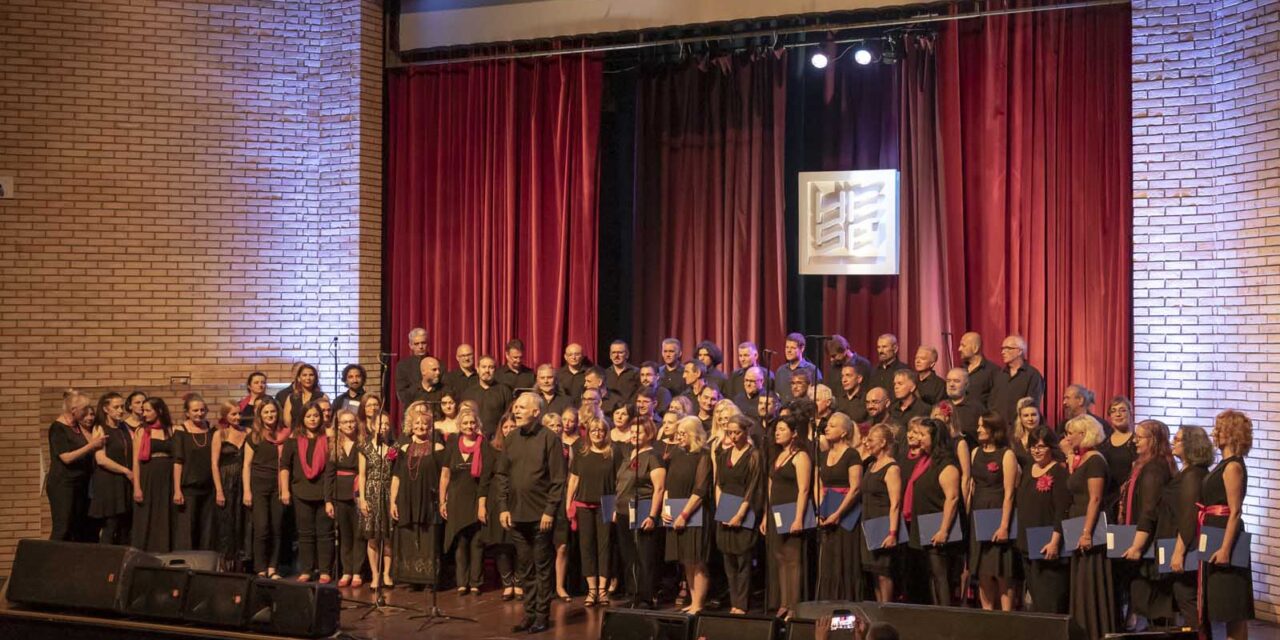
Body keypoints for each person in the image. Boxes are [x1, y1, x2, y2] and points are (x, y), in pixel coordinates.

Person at [497, 393, 566, 634]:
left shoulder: (550, 439)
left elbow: (558, 480)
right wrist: (503, 507)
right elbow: (502, 475)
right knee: (524, 566)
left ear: (536, 412)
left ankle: (542, 616)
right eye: (515, 407)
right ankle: (529, 613)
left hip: (541, 516)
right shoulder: (512, 437)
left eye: (522, 407)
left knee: (542, 566)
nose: (516, 410)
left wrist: (550, 511)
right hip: (516, 514)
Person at [1200, 410, 1253, 640]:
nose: (1215, 431)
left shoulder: (1233, 467)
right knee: (1225, 608)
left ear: (1232, 432)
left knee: (1233, 609)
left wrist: (1225, 549)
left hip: (1225, 538)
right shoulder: (1223, 464)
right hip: (1214, 532)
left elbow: (1235, 511)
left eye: (1220, 427)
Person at [1118, 419, 1175, 628]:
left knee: (1152, 603)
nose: (1135, 441)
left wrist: (1136, 546)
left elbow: (1149, 511)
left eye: (1140, 437)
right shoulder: (1147, 464)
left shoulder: (1154, 469)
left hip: (1150, 545)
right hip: (1146, 541)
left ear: (1153, 440)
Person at [1063, 414, 1114, 639]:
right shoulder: (1080, 460)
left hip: (1089, 527)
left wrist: (1086, 533)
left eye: (1071, 433)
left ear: (1084, 434)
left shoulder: (1095, 460)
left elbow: (1094, 499)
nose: (1068, 437)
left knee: (1090, 580)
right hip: (1077, 521)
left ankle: (1095, 631)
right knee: (1079, 582)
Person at [902, 418, 962, 606]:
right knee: (930, 576)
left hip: (938, 525)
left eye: (922, 435)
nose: (918, 438)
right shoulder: (926, 459)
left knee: (940, 575)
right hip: (925, 524)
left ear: (934, 437)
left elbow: (952, 498)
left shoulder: (946, 463)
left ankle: (946, 617)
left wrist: (943, 530)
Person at [1016, 425, 1070, 614]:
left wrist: (1055, 541)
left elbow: (1062, 511)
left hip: (1047, 545)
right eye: (1033, 446)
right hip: (1027, 543)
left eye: (1041, 446)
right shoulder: (1028, 469)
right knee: (1036, 600)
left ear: (1051, 448)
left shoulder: (1059, 472)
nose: (1036, 451)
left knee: (1050, 599)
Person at [615, 414, 666, 611]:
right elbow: (620, 483)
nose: (634, 435)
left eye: (639, 431)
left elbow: (659, 488)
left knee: (645, 556)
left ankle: (647, 596)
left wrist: (652, 515)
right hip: (623, 511)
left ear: (649, 433)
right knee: (629, 556)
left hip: (643, 509)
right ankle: (633, 593)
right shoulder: (629, 455)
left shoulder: (653, 457)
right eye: (632, 431)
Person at [279, 401, 335, 583]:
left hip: (323, 493)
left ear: (321, 418)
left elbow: (330, 470)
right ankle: (307, 569)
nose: (313, 419)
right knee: (305, 533)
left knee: (325, 533)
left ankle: (325, 570)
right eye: (309, 416)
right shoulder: (293, 440)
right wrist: (285, 490)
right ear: (303, 418)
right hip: (300, 492)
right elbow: (285, 466)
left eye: (316, 416)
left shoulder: (328, 439)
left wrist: (328, 498)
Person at [969, 412, 1019, 611]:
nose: (979, 429)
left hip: (998, 513)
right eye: (979, 425)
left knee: (1001, 570)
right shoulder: (975, 453)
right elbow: (972, 486)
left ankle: (1007, 618)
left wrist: (1004, 526)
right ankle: (987, 615)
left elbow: (1009, 493)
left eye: (983, 426)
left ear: (994, 429)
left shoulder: (1006, 454)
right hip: (978, 514)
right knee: (982, 570)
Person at [1162, 426, 1212, 625]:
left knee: (1187, 599)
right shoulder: (1187, 471)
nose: (1173, 441)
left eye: (1178, 439)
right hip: (1181, 541)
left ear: (1191, 445)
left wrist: (1178, 552)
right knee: (1183, 598)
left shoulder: (1193, 475)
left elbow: (1189, 516)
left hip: (1187, 546)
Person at [390, 409, 445, 590]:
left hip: (429, 498)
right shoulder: (404, 449)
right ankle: (411, 578)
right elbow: (397, 476)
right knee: (408, 535)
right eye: (417, 424)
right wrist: (392, 501)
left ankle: (429, 579)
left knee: (428, 539)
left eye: (424, 424)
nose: (420, 427)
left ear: (430, 427)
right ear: (410, 427)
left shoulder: (438, 447)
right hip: (407, 498)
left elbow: (444, 476)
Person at [715, 415, 764, 614]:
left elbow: (753, 487)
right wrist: (722, 508)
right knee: (728, 559)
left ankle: (741, 604)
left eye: (737, 432)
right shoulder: (723, 455)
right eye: (730, 433)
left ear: (746, 432)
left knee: (743, 559)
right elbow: (719, 483)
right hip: (726, 508)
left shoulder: (753, 455)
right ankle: (734, 601)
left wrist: (740, 514)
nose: (733, 437)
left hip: (744, 509)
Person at [567, 413, 617, 607]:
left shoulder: (613, 452)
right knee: (586, 546)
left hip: (607, 502)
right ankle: (592, 590)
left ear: (606, 433)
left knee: (605, 547)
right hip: (584, 504)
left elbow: (619, 481)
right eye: (593, 430)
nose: (597, 433)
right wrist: (568, 502)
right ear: (588, 433)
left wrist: (615, 507)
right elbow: (573, 479)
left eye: (601, 430)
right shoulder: (582, 452)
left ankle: (603, 590)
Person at [664, 417, 712, 613]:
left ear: (693, 434)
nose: (679, 437)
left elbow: (700, 490)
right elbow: (668, 483)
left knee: (697, 560)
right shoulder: (677, 453)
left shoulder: (703, 456)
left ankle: (699, 604)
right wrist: (666, 508)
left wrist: (684, 515)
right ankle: (692, 601)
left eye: (683, 433)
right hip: (675, 512)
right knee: (686, 560)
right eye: (678, 433)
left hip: (694, 513)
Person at [766, 414, 813, 621]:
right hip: (776, 513)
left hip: (792, 512)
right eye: (777, 429)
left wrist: (798, 518)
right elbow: (770, 485)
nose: (777, 432)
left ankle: (794, 606)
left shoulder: (801, 456)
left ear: (794, 433)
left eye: (783, 429)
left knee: (793, 560)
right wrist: (766, 516)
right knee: (780, 558)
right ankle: (784, 603)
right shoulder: (778, 455)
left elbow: (804, 489)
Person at [440, 408, 491, 595]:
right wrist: (442, 501)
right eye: (465, 423)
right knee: (460, 542)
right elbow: (445, 474)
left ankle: (476, 582)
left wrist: (482, 504)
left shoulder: (483, 445)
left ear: (477, 424)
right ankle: (462, 582)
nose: (469, 426)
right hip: (455, 499)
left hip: (476, 499)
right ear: (459, 425)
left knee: (477, 543)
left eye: (472, 423)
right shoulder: (453, 443)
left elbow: (486, 478)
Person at [816, 412, 864, 601]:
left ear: (844, 432)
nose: (827, 428)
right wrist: (822, 509)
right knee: (828, 559)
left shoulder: (852, 455)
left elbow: (855, 488)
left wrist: (837, 514)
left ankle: (846, 601)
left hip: (846, 513)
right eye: (827, 425)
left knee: (845, 558)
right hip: (827, 509)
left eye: (833, 425)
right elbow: (819, 485)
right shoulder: (823, 454)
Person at [48, 390, 102, 542]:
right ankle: (51, 562)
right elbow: (66, 457)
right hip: (63, 484)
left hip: (80, 483)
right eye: (84, 410)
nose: (87, 413)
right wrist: (91, 446)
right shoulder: (58, 428)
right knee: (63, 526)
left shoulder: (77, 427)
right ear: (74, 411)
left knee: (78, 527)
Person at [242, 398, 288, 578]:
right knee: (262, 528)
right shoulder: (254, 436)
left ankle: (272, 567)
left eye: (273, 412)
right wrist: (247, 490)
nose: (270, 415)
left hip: (278, 485)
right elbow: (246, 465)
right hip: (259, 485)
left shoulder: (285, 434)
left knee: (277, 528)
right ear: (260, 416)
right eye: (266, 412)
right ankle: (260, 567)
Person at [860, 423, 902, 603]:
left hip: (883, 525)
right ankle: (878, 611)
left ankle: (887, 611)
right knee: (874, 574)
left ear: (883, 442)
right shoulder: (871, 465)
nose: (866, 443)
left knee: (884, 573)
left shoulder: (892, 468)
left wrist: (892, 533)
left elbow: (895, 504)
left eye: (870, 440)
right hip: (869, 524)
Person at [480, 413, 520, 600]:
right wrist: (481, 504)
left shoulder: (524, 447)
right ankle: (507, 583)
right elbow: (485, 478)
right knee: (501, 543)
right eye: (506, 427)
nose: (509, 430)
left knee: (518, 543)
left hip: (519, 499)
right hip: (497, 500)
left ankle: (519, 582)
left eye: (513, 426)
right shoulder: (493, 449)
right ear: (500, 429)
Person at [132, 397, 177, 552]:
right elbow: (135, 462)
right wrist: (137, 487)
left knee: (165, 513)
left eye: (148, 410)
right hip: (148, 476)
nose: (144, 413)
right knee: (147, 514)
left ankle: (164, 550)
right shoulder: (141, 431)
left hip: (168, 476)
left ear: (159, 411)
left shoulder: (171, 429)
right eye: (143, 410)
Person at [358, 404, 395, 589]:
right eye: (381, 424)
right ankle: (375, 574)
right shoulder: (364, 447)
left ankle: (387, 574)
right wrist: (362, 499)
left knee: (387, 537)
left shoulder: (393, 447)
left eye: (387, 424)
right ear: (373, 426)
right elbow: (362, 475)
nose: (384, 427)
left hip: (388, 492)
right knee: (372, 537)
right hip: (371, 492)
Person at [173, 393, 216, 551]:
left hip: (208, 487)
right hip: (189, 487)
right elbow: (178, 462)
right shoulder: (181, 431)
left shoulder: (212, 430)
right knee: (188, 530)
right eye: (195, 410)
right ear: (187, 413)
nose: (200, 413)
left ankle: (204, 564)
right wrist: (177, 490)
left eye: (202, 410)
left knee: (207, 528)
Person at [211, 400, 250, 572]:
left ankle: (241, 563)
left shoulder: (247, 432)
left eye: (239, 413)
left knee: (242, 521)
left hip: (243, 480)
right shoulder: (220, 434)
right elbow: (214, 464)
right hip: (226, 481)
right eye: (233, 414)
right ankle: (225, 564)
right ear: (225, 416)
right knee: (226, 523)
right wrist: (219, 490)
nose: (237, 417)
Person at [90, 392, 133, 545]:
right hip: (109, 482)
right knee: (110, 525)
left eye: (122, 406)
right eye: (116, 407)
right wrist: (125, 470)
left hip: (124, 482)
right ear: (106, 409)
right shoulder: (100, 428)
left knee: (125, 527)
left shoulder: (124, 427)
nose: (121, 410)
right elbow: (101, 459)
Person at [331, 408, 365, 586]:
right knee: (345, 535)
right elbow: (329, 474)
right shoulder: (334, 444)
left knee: (359, 534)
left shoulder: (362, 443)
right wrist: (328, 500)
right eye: (344, 422)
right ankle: (346, 571)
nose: (349, 425)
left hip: (357, 492)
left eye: (352, 421)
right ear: (339, 425)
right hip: (339, 493)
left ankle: (357, 572)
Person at [988, 335, 1044, 427]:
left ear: (1019, 351)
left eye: (1008, 348)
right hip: (998, 430)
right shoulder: (999, 374)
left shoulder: (1033, 375)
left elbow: (1032, 405)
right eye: (1002, 349)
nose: (1003, 352)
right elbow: (992, 402)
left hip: (1019, 430)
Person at [1097, 396, 1136, 520]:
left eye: (1122, 410)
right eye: (1113, 411)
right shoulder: (1103, 441)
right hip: (1105, 499)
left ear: (1130, 413)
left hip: (1125, 499)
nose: (1118, 414)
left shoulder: (1136, 441)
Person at [461, 355, 513, 438]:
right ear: (477, 369)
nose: (487, 370)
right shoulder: (468, 393)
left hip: (497, 439)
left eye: (490, 367)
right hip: (474, 438)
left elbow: (509, 418)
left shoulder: (504, 391)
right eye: (483, 367)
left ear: (495, 370)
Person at [956, 332, 999, 407]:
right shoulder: (960, 369)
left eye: (963, 345)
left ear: (975, 348)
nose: (959, 349)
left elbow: (996, 400)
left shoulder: (993, 371)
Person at [945, 367, 985, 445]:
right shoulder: (939, 407)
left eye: (956, 381)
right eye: (948, 381)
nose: (951, 384)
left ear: (966, 385)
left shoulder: (976, 408)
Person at [282, 364, 326, 429]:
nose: (308, 378)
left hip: (316, 436)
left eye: (311, 375)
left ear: (315, 378)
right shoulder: (291, 398)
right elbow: (287, 423)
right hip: (296, 435)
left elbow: (326, 419)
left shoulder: (322, 397)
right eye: (304, 375)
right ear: (299, 378)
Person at [395, 328, 429, 407]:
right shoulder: (403, 366)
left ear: (428, 344)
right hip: (411, 410)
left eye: (423, 343)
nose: (420, 346)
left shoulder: (437, 364)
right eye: (416, 344)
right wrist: (422, 385)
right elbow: (402, 395)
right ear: (410, 346)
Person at [832, 358, 872, 425]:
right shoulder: (838, 399)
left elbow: (871, 421)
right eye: (842, 376)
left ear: (859, 379)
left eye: (848, 375)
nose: (844, 380)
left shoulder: (867, 399)